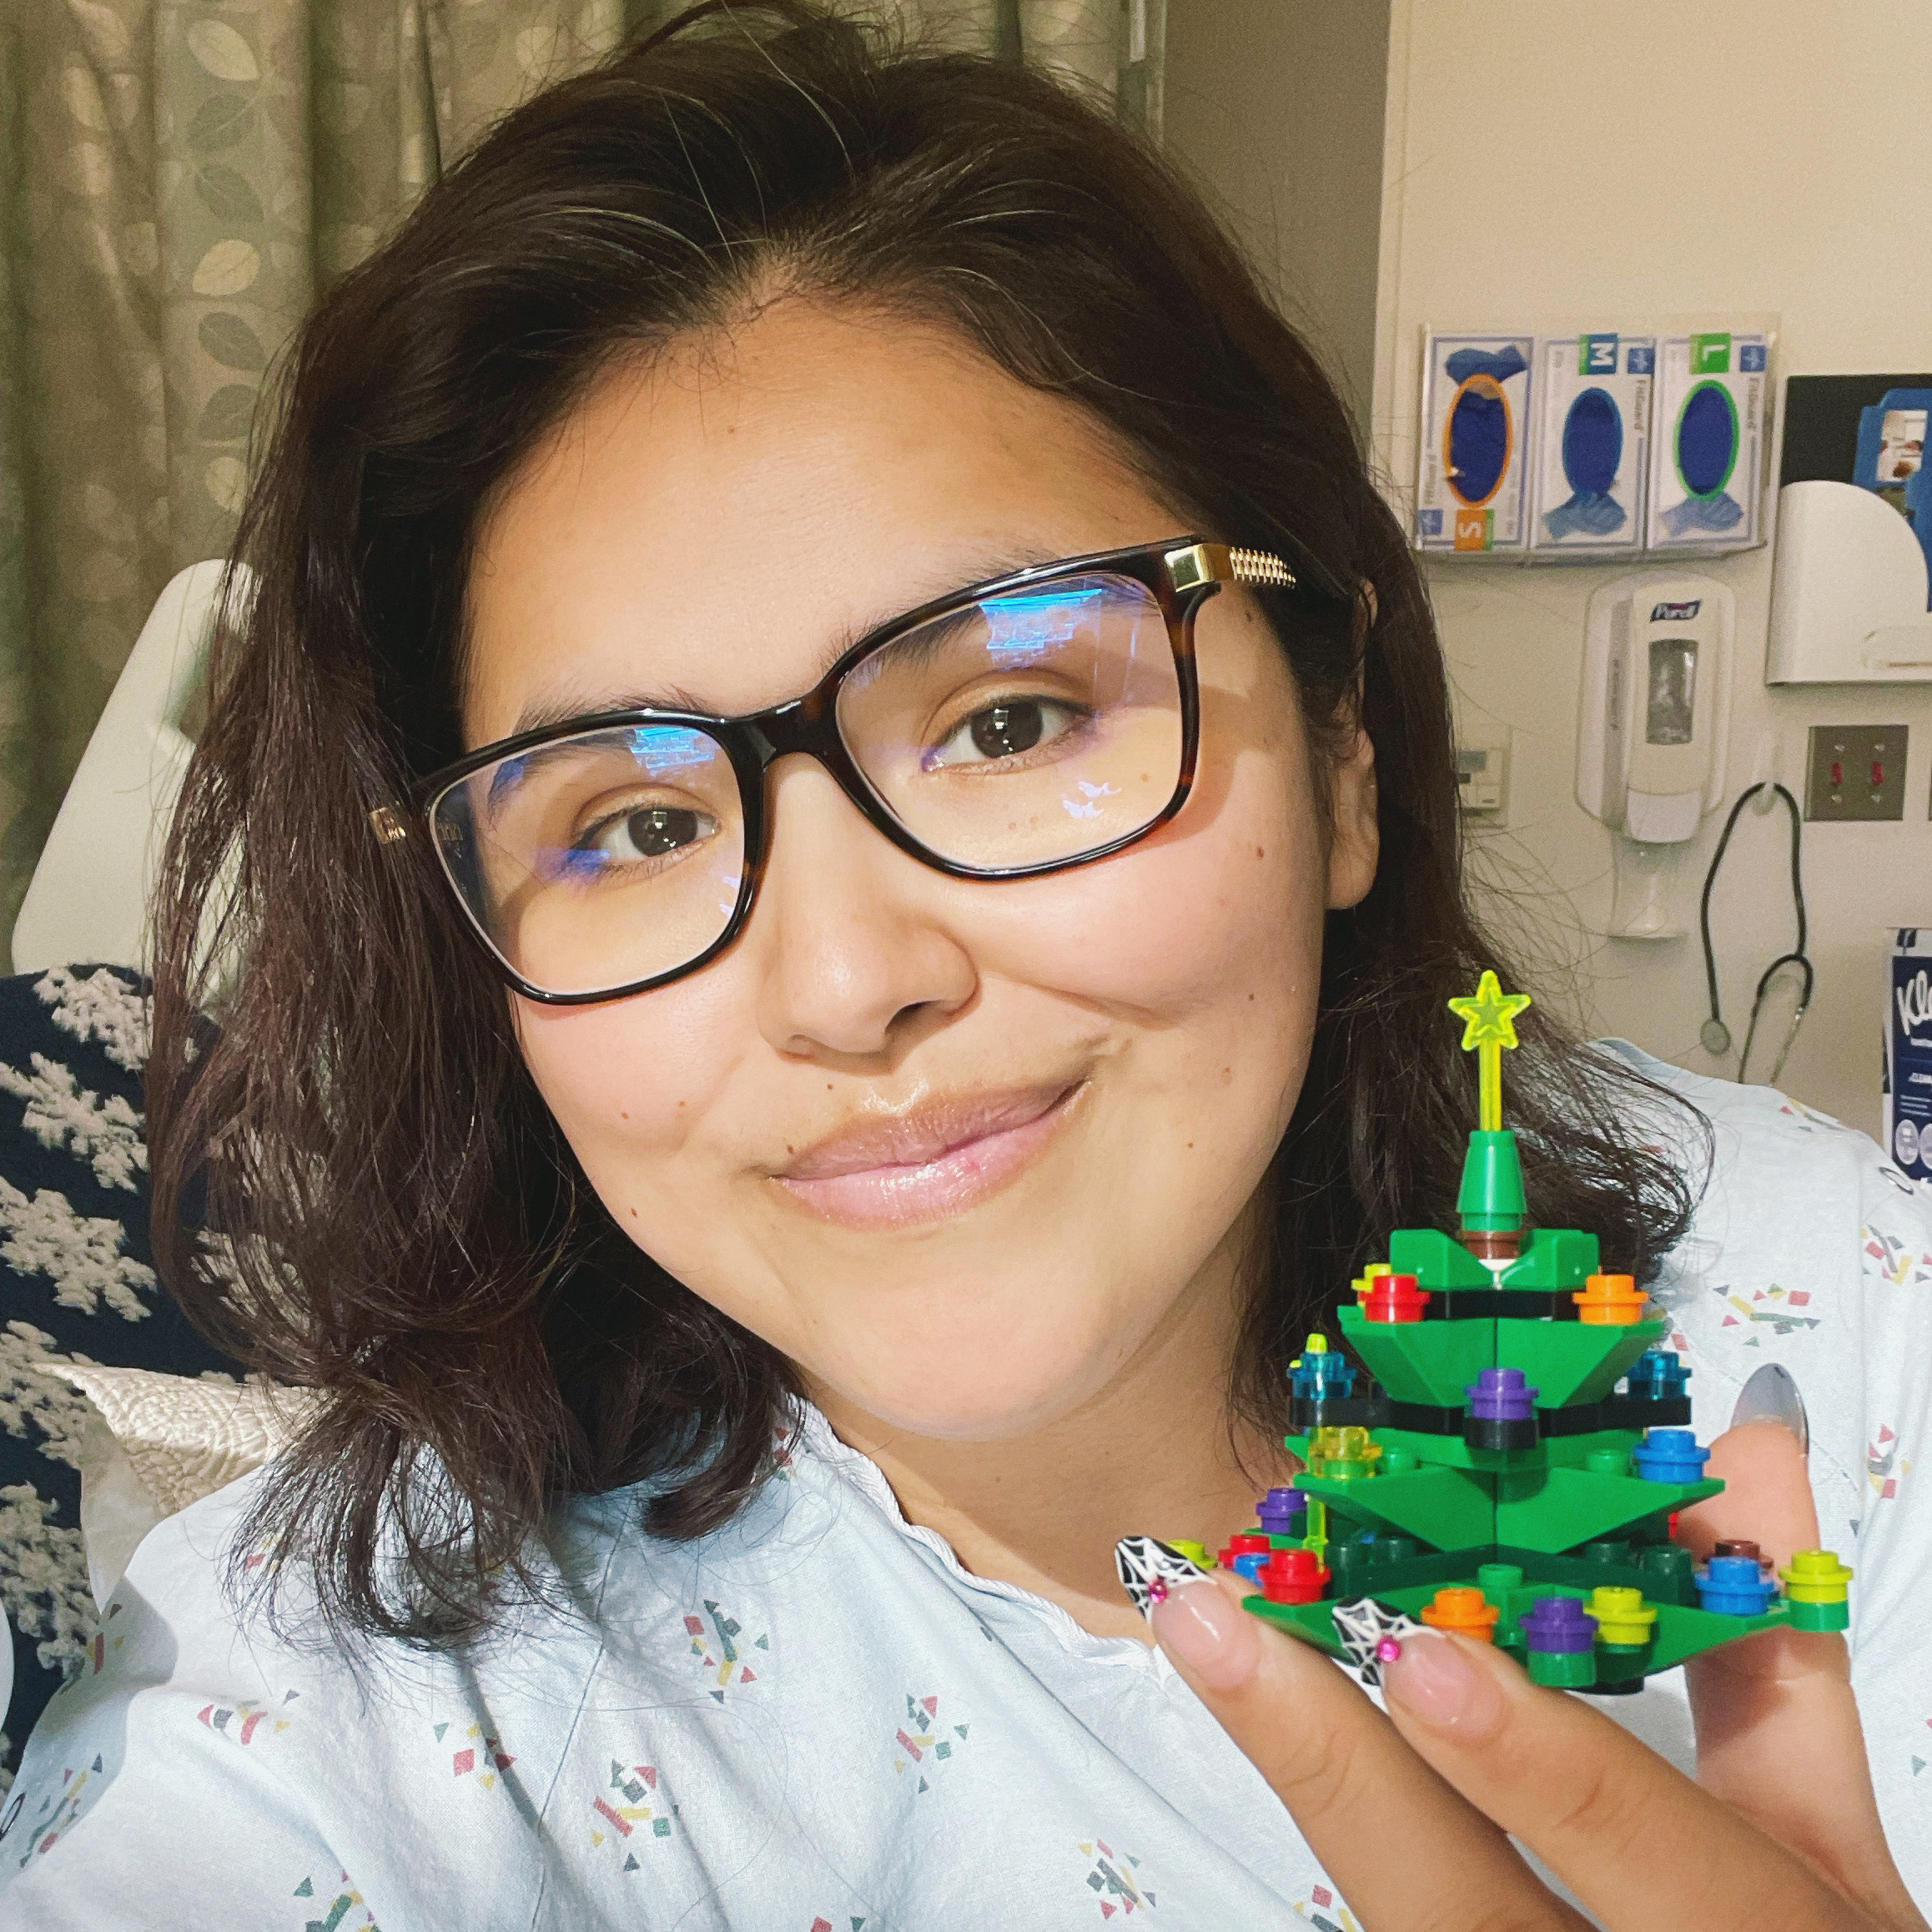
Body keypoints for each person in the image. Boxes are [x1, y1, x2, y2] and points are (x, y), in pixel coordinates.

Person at [3, 6, 1929, 1925]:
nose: (845, 982)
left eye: (1012, 719)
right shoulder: (347, 1719)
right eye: (638, 827)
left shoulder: (1819, 1352)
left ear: (1345, 757)